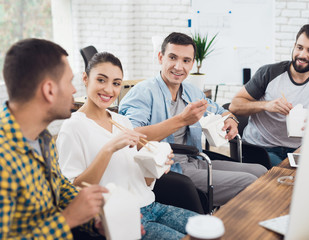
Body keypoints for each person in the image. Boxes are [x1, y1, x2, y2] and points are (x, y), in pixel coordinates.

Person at [56, 52, 198, 240]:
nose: (108, 90)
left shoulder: (122, 121)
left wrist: (155, 165)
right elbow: (75, 190)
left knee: (214, 228)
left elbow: (142, 182)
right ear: (85, 78)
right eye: (101, 80)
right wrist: (108, 149)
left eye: (116, 83)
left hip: (151, 205)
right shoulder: (73, 127)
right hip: (123, 218)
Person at [119, 32, 267, 207]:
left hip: (195, 160)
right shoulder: (143, 92)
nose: (178, 66)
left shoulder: (191, 91)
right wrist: (181, 120)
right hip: (167, 169)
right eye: (172, 57)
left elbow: (220, 110)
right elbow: (131, 139)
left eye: (186, 60)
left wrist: (231, 119)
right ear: (160, 57)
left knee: (261, 171)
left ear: (192, 63)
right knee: (248, 182)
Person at [0, 38, 108, 239]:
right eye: (69, 82)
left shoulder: (42, 138)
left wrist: (96, 216)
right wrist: (68, 219)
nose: (74, 90)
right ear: (49, 90)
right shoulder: (3, 158)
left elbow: (60, 187)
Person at [229, 24, 309, 166]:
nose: (302, 55)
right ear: (294, 46)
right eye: (299, 47)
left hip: (299, 152)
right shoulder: (269, 73)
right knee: (282, 180)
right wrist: (266, 105)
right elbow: (234, 106)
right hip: (261, 149)